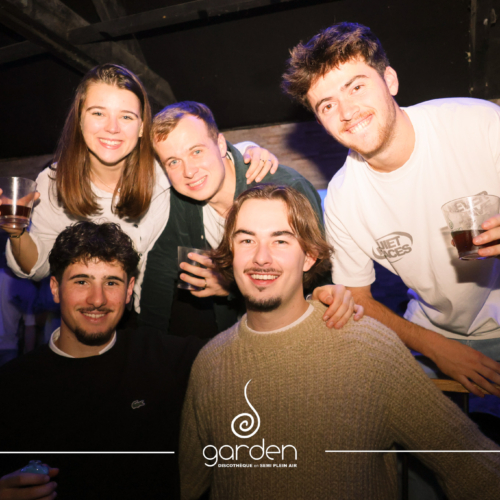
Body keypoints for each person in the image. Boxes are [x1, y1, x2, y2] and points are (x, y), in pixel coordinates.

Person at [179, 184, 500, 500]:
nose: (261, 258)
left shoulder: (367, 349)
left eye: (280, 240)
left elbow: (469, 463)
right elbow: (188, 485)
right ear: (231, 254)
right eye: (247, 240)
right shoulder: (210, 363)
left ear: (309, 256)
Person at [280, 22, 500, 397]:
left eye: (356, 87)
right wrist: (438, 349)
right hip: (433, 329)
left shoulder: (477, 123)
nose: (347, 111)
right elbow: (358, 299)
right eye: (327, 105)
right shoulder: (343, 200)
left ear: (390, 81)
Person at [3, 64, 278, 312]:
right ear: (80, 120)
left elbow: (203, 158)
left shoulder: (162, 169)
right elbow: (40, 268)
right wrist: (16, 233)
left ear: (141, 127)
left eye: (126, 117)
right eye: (98, 113)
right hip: (99, 311)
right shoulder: (53, 183)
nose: (112, 128)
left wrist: (247, 150)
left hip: (166, 308)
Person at [0, 221, 205, 498]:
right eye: (81, 281)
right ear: (55, 288)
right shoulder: (13, 386)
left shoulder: (165, 357)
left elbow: (244, 354)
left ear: (129, 290)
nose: (97, 299)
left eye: (111, 282)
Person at [140, 101, 361, 336]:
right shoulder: (180, 201)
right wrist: (145, 345)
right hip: (235, 335)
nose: (189, 171)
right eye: (173, 162)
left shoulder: (288, 189)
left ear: (221, 144)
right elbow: (159, 271)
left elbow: (318, 277)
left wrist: (230, 285)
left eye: (196, 151)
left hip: (301, 330)